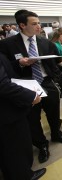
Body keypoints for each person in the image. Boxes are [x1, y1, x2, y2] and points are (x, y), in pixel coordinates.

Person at [0, 9, 62, 164]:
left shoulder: (44, 41)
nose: (39, 26)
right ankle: (41, 144)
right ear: (22, 25)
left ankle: (56, 134)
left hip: (47, 82)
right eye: (34, 24)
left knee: (54, 112)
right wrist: (19, 63)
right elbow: (5, 68)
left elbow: (54, 63)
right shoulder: (7, 45)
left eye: (39, 23)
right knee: (32, 118)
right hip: (25, 85)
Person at [0, 52, 46, 180]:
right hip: (7, 113)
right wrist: (31, 96)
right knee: (15, 148)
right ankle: (24, 175)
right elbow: (2, 85)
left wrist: (18, 63)